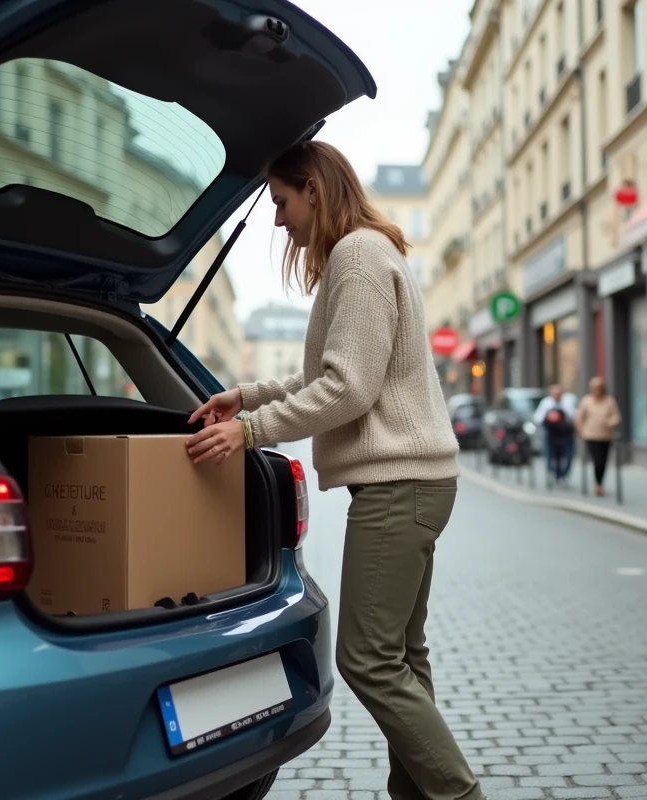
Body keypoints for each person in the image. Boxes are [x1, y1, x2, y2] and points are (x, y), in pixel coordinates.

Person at [183, 140, 486, 800]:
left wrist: (249, 431)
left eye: (281, 200)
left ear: (313, 189)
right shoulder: (368, 254)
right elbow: (330, 375)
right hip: (414, 483)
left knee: (367, 660)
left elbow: (348, 389)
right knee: (400, 657)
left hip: (399, 486)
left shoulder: (358, 256)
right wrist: (248, 397)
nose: (277, 218)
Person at [576, 376, 621, 496]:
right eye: (595, 387)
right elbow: (579, 417)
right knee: (598, 460)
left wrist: (613, 422)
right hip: (591, 435)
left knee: (603, 460)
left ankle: (600, 482)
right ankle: (598, 484)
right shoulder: (586, 401)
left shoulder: (609, 401)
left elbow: (616, 415)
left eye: (599, 387)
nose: (597, 390)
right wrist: (581, 431)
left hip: (606, 435)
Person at [533, 384, 578, 484]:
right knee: (550, 455)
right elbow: (538, 417)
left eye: (558, 394)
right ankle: (554, 473)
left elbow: (574, 416)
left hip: (565, 434)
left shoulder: (568, 401)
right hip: (551, 434)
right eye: (554, 394)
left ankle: (563, 474)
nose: (557, 396)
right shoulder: (546, 403)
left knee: (568, 455)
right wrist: (549, 416)